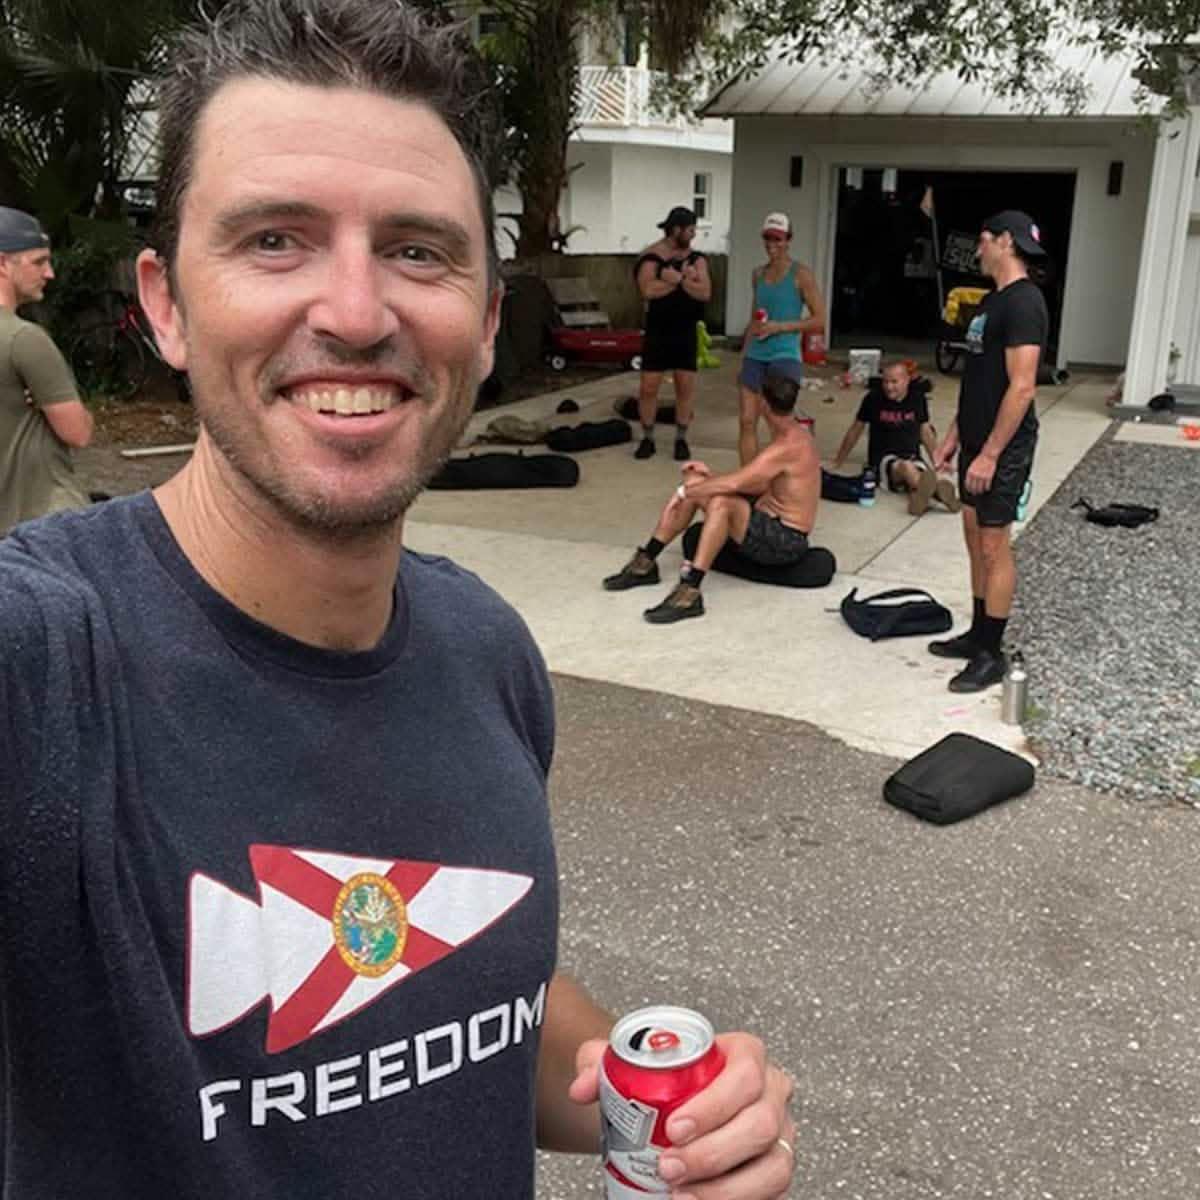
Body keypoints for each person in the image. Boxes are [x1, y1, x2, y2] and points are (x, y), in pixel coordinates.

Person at [0, 2, 796, 1196]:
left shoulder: (487, 651)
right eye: (275, 240)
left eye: (419, 250)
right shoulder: (45, 666)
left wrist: (669, 1108)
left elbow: (466, 1002)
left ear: (481, 325)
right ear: (165, 303)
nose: (358, 315)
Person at [930, 210, 1048, 692]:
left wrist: (992, 454)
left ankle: (991, 654)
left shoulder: (1025, 303)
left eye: (982, 240)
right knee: (973, 533)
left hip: (1004, 446)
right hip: (977, 439)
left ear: (1004, 241)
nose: (977, 249)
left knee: (994, 543)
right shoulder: (988, 303)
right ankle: (977, 635)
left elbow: (1021, 388)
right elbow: (979, 380)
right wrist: (957, 436)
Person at [604, 368, 819, 623]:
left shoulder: (788, 445)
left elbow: (738, 482)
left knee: (720, 502)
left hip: (786, 540)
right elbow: (756, 485)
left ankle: (690, 592)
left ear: (763, 402)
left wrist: (684, 492)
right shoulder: (786, 433)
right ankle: (645, 563)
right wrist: (701, 483)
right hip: (765, 519)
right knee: (698, 481)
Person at [0, 206, 93, 534]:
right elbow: (78, 433)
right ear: (2, 264)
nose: (50, 273)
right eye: (38, 261)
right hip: (38, 521)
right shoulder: (25, 339)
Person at [738, 211, 825, 465]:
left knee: (778, 423)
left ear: (788, 240)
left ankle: (781, 479)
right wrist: (743, 356)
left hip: (784, 355)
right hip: (756, 354)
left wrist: (781, 327)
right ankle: (748, 480)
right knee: (746, 420)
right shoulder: (757, 274)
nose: (772, 245)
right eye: (768, 238)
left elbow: (820, 319)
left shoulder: (801, 274)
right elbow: (754, 319)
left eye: (778, 239)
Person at [632, 205, 712, 461]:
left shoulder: (697, 259)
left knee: (685, 386)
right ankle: (647, 437)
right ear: (676, 230)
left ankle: (681, 437)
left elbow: (705, 292)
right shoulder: (651, 257)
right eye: (690, 230)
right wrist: (682, 281)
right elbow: (648, 289)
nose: (693, 235)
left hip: (685, 329)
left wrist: (676, 280)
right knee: (649, 387)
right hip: (658, 330)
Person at [829, 360, 960, 516]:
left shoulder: (917, 398)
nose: (889, 387)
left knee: (916, 473)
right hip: (883, 460)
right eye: (885, 381)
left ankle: (918, 497)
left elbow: (925, 432)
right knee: (906, 468)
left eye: (894, 382)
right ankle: (938, 493)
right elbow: (855, 429)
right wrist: (839, 460)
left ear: (907, 381)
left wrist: (938, 461)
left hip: (912, 455)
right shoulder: (873, 398)